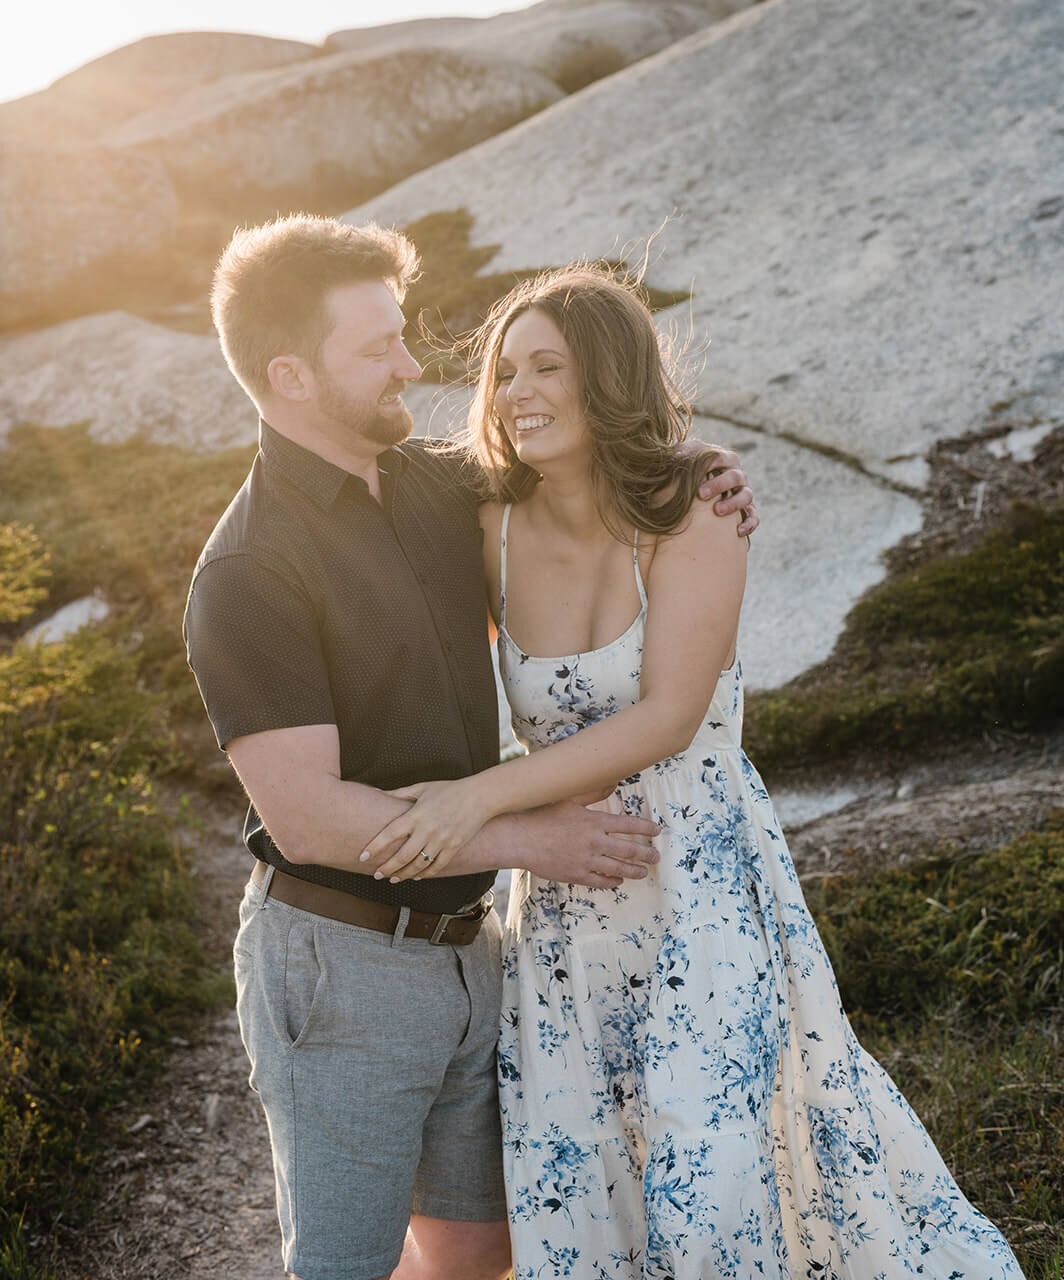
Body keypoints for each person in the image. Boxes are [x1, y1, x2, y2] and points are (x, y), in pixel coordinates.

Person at [362, 265, 1025, 1280]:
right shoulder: (485, 525)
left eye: (549, 368)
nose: (516, 393)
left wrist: (476, 797)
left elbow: (668, 716)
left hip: (699, 879)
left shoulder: (695, 511)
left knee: (709, 1167)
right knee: (584, 1164)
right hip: (568, 909)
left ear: (609, 379)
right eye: (504, 372)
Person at [183, 215, 758, 1280]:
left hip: (471, 948)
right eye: (378, 349)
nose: (413, 364)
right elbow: (306, 814)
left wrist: (695, 463)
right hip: (339, 959)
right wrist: (528, 837)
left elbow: (575, 458)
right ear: (289, 375)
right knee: (345, 1262)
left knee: (482, 1244)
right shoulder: (247, 571)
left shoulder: (433, 486)